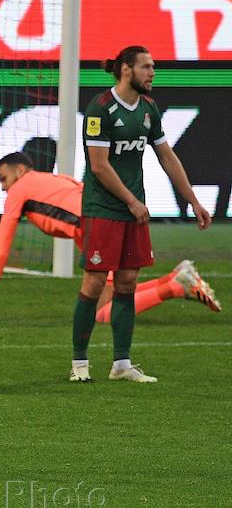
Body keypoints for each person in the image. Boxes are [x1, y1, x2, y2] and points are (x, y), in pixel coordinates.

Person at [69, 46, 212, 384]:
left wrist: (193, 200)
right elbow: (99, 166)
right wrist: (132, 201)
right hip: (103, 209)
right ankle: (79, 362)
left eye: (153, 66)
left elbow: (166, 156)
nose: (152, 72)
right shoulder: (100, 108)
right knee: (94, 282)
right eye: (146, 66)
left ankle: (121, 364)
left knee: (127, 282)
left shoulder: (148, 108)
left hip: (133, 210)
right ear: (125, 69)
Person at [0, 151, 220, 319]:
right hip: (114, 217)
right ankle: (177, 279)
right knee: (119, 292)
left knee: (104, 313)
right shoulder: (56, 181)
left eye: (3, 178)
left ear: (20, 171)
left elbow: (1, 250)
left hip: (100, 225)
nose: (3, 188)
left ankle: (176, 286)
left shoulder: (20, 189)